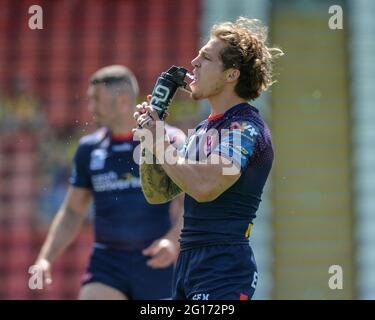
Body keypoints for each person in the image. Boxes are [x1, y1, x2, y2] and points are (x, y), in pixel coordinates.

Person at [134, 17, 283, 300]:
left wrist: (159, 140)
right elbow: (157, 193)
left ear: (231, 75)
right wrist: (149, 138)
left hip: (223, 265)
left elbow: (204, 187)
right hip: (189, 265)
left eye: (205, 58)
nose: (194, 62)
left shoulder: (245, 128)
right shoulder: (204, 128)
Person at [35, 65, 185, 300]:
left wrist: (172, 241)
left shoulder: (168, 140)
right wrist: (45, 259)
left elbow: (192, 204)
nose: (90, 108)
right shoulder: (88, 149)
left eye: (96, 100)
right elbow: (73, 211)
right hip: (108, 263)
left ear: (123, 101)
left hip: (157, 262)